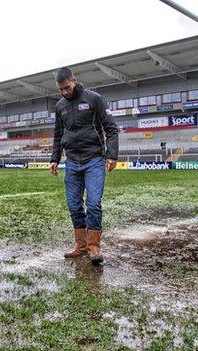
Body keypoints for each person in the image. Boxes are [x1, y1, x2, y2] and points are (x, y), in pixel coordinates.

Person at [49, 67, 119, 264]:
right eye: (60, 89)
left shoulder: (93, 99)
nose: (64, 92)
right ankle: (80, 246)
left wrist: (111, 155)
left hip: (94, 160)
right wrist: (55, 158)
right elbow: (58, 135)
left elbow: (111, 129)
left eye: (67, 87)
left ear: (74, 80)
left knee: (93, 203)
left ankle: (94, 247)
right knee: (74, 205)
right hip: (71, 162)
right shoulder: (60, 106)